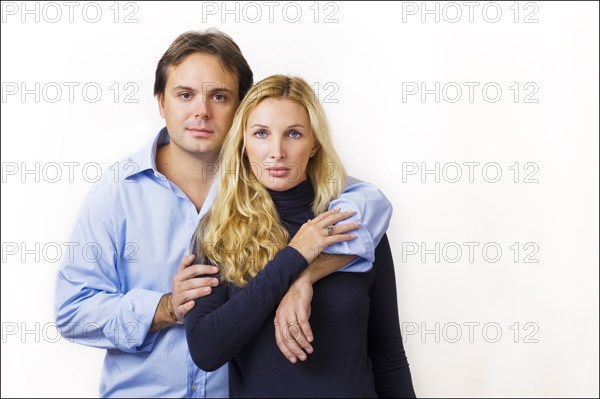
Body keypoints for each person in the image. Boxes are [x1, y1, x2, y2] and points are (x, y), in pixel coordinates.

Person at [54, 30, 394, 397]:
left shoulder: (270, 180)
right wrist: (166, 307)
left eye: (219, 96)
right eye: (185, 95)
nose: (202, 111)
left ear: (241, 108)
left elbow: (369, 202)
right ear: (160, 102)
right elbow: (73, 313)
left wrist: (303, 275)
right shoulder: (118, 193)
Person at [185, 75, 416, 398]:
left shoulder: (352, 224)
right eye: (261, 134)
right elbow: (206, 350)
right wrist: (295, 255)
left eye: (293, 134)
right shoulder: (218, 231)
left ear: (314, 143)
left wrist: (301, 280)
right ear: (243, 142)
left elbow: (388, 356)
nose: (277, 152)